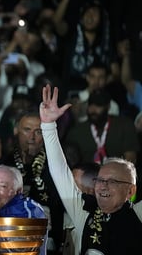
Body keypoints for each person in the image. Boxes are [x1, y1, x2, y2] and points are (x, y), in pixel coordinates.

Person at [40, 84, 142, 254]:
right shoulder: (84, 213)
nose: (103, 186)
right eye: (100, 180)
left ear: (130, 191)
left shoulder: (138, 214)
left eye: (113, 181)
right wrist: (48, 126)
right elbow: (59, 173)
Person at [0, 109, 65, 254]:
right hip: (10, 235)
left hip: (47, 239)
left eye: (38, 131)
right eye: (27, 130)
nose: (32, 137)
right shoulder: (6, 163)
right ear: (16, 130)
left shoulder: (54, 164)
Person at [65, 88, 140, 164]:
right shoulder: (76, 131)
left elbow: (131, 159)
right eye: (91, 104)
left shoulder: (124, 125)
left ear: (108, 106)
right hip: (87, 174)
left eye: (98, 105)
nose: (93, 109)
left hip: (117, 173)